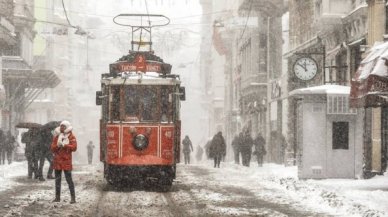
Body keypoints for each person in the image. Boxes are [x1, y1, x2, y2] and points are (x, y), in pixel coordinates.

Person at [51, 120, 77, 204]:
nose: (62, 128)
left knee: (69, 180)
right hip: (58, 161)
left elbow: (74, 147)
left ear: (67, 127)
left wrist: (65, 145)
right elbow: (52, 148)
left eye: (63, 126)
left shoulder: (71, 136)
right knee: (57, 181)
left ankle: (73, 198)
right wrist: (57, 146)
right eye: (61, 126)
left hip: (66, 161)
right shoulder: (57, 136)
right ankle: (57, 197)